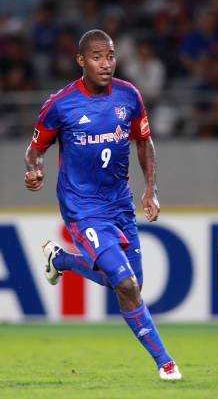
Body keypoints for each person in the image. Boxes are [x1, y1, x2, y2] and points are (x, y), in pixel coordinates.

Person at [23, 29, 181, 381]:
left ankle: (60, 259)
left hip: (119, 203)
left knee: (131, 286)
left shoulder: (129, 96)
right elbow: (35, 150)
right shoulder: (60, 104)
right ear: (81, 61)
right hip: (82, 206)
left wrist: (150, 190)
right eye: (97, 56)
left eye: (110, 55)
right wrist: (34, 171)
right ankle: (166, 363)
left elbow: (144, 141)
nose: (106, 63)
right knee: (124, 283)